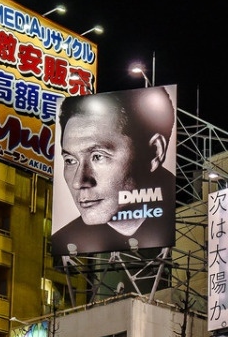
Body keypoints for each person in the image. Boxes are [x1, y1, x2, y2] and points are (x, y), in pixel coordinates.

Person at [52, 87, 178, 255]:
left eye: (98, 156)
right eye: (70, 160)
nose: (78, 181)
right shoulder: (65, 240)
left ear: (155, 152)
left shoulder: (186, 222)